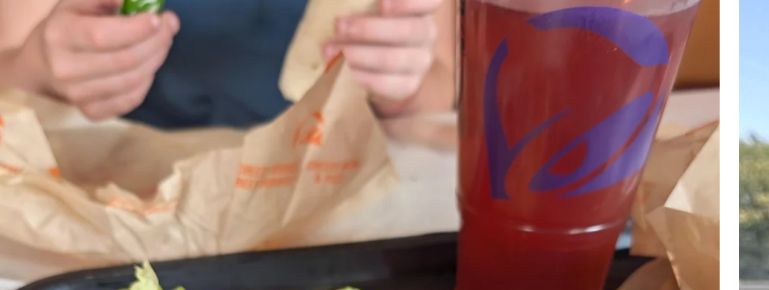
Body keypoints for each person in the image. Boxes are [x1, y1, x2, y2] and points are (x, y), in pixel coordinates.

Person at [0, 0, 455, 128]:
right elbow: (10, 63)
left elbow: (443, 81)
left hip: (335, 204)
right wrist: (42, 66)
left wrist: (398, 81)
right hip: (121, 195)